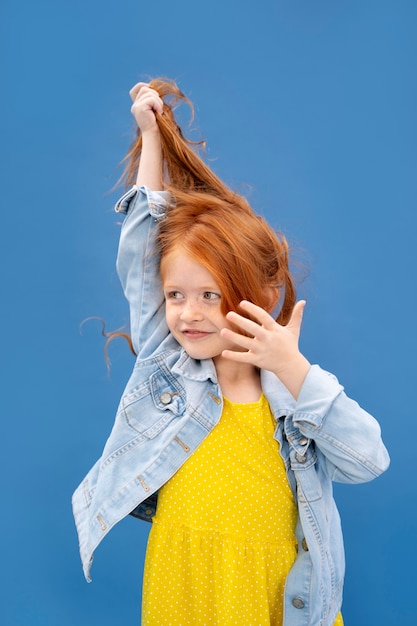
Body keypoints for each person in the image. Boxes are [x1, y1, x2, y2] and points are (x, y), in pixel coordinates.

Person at [72, 80, 390, 626]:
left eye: (210, 295)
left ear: (260, 296)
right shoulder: (170, 367)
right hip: (186, 583)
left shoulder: (295, 397)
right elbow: (141, 255)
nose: (188, 313)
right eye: (176, 295)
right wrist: (151, 139)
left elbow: (368, 460)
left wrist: (292, 366)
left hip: (271, 594)